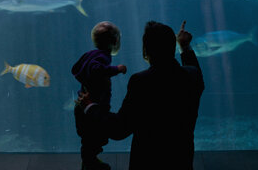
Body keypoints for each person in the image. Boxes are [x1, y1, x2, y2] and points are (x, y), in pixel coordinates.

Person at [78, 21, 204, 170]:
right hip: (181, 161)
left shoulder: (141, 82)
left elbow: (120, 128)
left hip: (147, 162)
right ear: (172, 47)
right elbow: (194, 69)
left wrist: (90, 107)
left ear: (145, 51)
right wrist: (184, 46)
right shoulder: (192, 76)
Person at [72, 21, 127, 170]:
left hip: (82, 105)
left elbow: (76, 68)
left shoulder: (90, 54)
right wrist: (116, 69)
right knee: (95, 137)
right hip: (93, 107)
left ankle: (89, 160)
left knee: (89, 139)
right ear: (115, 41)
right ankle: (90, 162)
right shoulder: (103, 57)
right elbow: (97, 70)